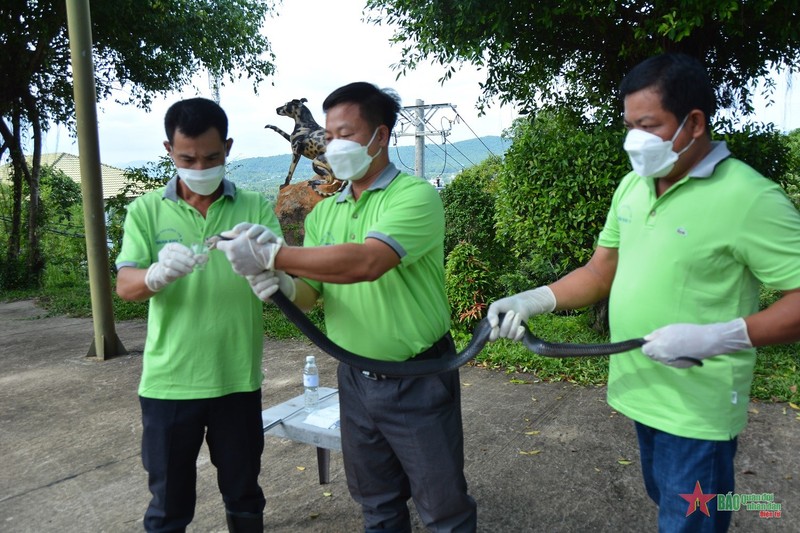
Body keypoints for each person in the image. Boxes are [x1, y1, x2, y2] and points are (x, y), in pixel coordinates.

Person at [487, 53, 800, 532]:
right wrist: (535, 299)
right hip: (641, 392)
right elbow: (599, 271)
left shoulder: (750, 198)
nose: (634, 139)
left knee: (689, 520)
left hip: (697, 411)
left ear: (694, 123)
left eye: (648, 124)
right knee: (668, 503)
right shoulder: (633, 186)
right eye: (628, 125)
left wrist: (719, 337)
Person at [216, 82, 478, 533]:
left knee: (443, 508)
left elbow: (369, 261)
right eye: (330, 135)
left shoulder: (414, 197)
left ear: (381, 135)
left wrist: (276, 256)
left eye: (347, 134)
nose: (334, 145)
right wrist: (279, 283)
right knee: (376, 503)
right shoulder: (323, 215)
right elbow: (312, 294)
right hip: (354, 380)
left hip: (417, 378)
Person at [115, 97, 282, 532]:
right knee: (169, 504)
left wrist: (273, 267)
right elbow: (124, 285)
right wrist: (154, 275)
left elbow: (282, 268)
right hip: (170, 383)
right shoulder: (146, 210)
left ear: (227, 147)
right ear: (169, 150)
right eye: (187, 157)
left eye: (211, 156)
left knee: (245, 493)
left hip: (237, 379)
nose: (200, 166)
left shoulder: (255, 207)